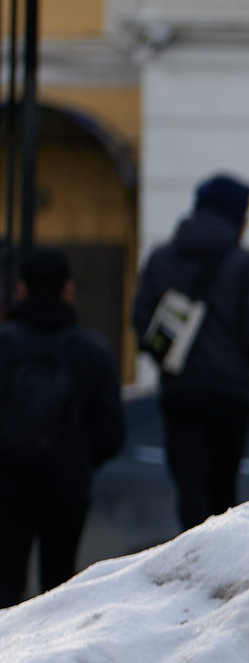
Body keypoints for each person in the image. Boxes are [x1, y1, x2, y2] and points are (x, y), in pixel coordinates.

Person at [131, 173, 249, 531]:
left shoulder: (161, 259)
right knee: (223, 495)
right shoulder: (244, 263)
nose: (248, 221)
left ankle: (192, 563)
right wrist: (244, 367)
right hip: (230, 396)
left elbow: (142, 325)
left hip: (180, 393)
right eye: (245, 212)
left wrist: (171, 363)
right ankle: (218, 568)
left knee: (190, 493)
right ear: (232, 214)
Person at [0, 248, 124, 605]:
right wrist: (78, 458)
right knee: (58, 593)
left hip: (6, 486)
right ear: (67, 289)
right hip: (65, 486)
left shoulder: (4, 345)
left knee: (5, 589)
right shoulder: (93, 351)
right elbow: (111, 434)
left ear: (22, 289)